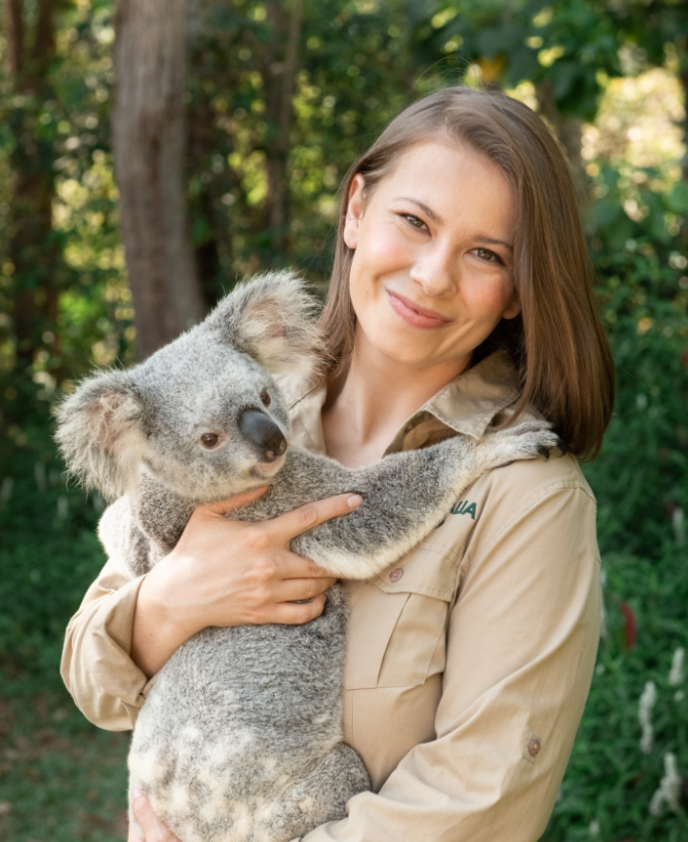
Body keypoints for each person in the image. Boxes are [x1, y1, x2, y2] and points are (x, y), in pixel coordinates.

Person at [61, 86, 614, 841]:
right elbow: (95, 679)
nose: (431, 275)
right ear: (356, 209)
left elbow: (478, 799)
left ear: (517, 291)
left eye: (486, 254)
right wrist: (175, 600)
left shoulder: (525, 493)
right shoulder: (224, 412)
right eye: (413, 222)